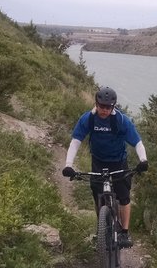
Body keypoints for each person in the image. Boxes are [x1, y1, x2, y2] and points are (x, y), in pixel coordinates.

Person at [62, 86, 148, 248]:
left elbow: (137, 142)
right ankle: (101, 229)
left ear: (113, 107)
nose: (104, 110)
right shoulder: (88, 119)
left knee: (123, 196)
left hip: (118, 162)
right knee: (98, 196)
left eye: (108, 107)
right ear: (96, 104)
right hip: (98, 161)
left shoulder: (122, 120)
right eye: (101, 106)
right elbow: (75, 142)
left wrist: (143, 160)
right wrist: (68, 165)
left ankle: (124, 232)